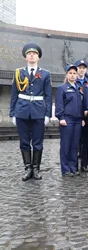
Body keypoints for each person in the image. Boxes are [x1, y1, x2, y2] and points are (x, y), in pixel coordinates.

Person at [10, 43, 52, 181]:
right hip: (21, 111)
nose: (32, 55)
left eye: (34, 54)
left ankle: (36, 169)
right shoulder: (19, 73)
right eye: (29, 54)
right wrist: (12, 113)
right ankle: (28, 168)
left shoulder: (45, 74)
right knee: (24, 142)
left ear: (38, 57)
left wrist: (47, 114)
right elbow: (14, 94)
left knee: (38, 142)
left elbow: (48, 95)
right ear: (25, 57)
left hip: (38, 112)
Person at [55, 64, 85, 176]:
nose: (72, 75)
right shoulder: (62, 88)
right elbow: (59, 105)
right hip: (67, 119)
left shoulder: (78, 88)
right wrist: (61, 117)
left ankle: (73, 167)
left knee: (74, 145)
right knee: (66, 144)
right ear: (67, 75)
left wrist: (82, 117)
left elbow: (81, 104)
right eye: (70, 73)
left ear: (77, 75)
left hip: (77, 120)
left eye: (74, 73)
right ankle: (65, 168)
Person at [74, 59, 88, 172]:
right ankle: (74, 164)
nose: (82, 70)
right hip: (76, 115)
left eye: (83, 68)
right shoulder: (73, 82)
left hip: (87, 116)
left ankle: (84, 164)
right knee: (75, 141)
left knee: (85, 141)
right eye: (80, 67)